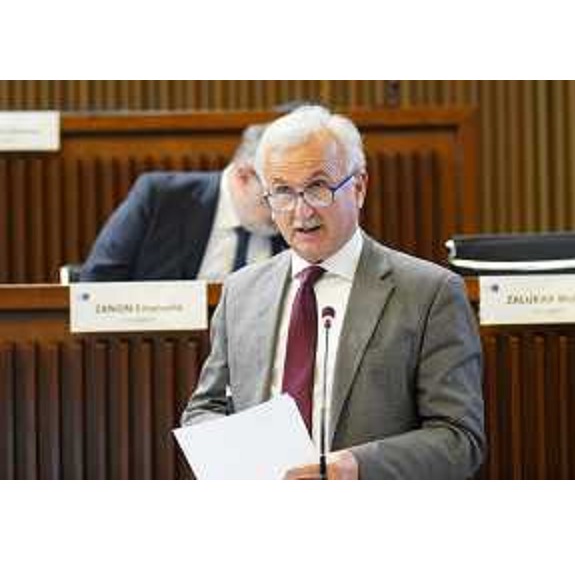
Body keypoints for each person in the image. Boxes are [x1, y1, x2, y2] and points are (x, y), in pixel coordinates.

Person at [181, 105, 485, 479]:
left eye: (317, 188)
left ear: (358, 188)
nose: (301, 211)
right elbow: (205, 409)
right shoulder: (242, 292)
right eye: (282, 191)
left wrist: (359, 466)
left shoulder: (430, 293)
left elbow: (460, 439)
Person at [79, 124, 286, 282]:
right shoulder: (160, 198)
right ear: (243, 177)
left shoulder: (293, 225)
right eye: (276, 194)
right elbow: (97, 281)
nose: (287, 210)